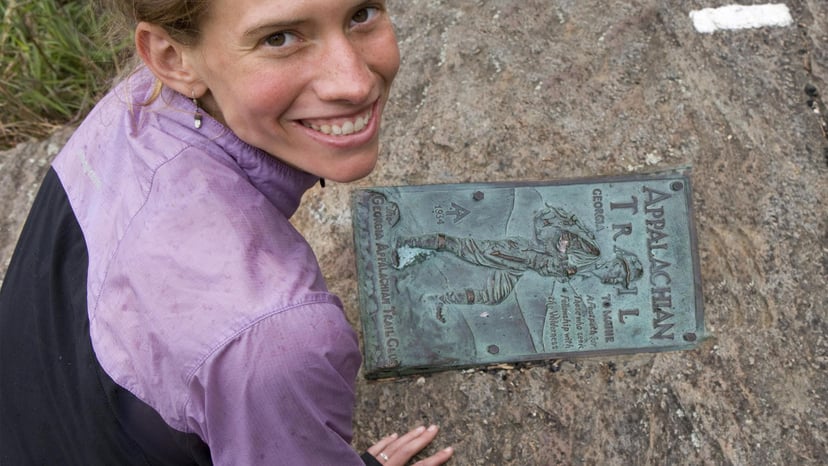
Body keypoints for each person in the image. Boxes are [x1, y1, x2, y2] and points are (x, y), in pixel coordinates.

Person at [0, 0, 453, 465]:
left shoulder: (131, 106)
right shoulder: (274, 335)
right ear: (171, 58)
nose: (354, 83)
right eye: (278, 38)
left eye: (361, 14)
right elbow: (256, 344)